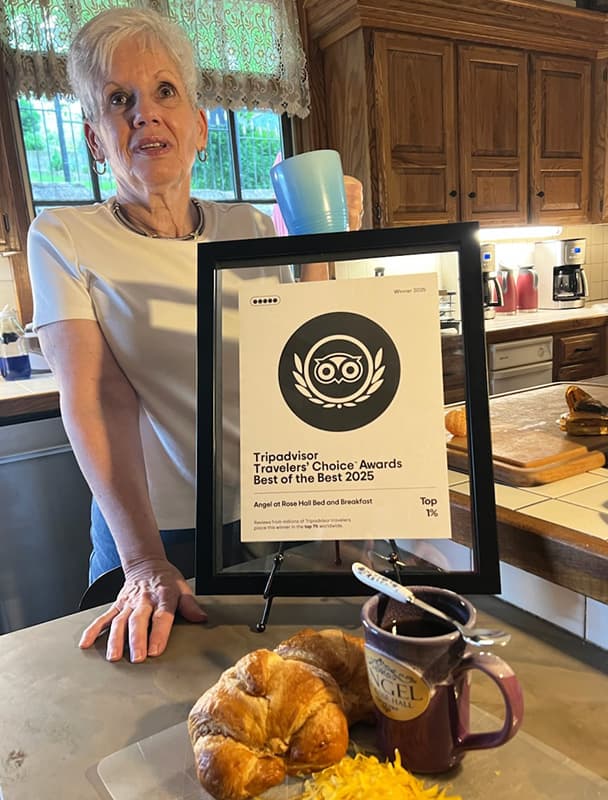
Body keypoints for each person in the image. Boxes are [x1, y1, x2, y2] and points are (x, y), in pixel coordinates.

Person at [27, 7, 363, 664]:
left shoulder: (256, 229)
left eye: (164, 92)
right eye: (117, 100)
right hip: (153, 534)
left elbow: (316, 356)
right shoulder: (63, 238)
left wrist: (325, 245)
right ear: (95, 139)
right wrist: (145, 560)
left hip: (274, 515)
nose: (143, 115)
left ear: (202, 127)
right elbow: (98, 397)